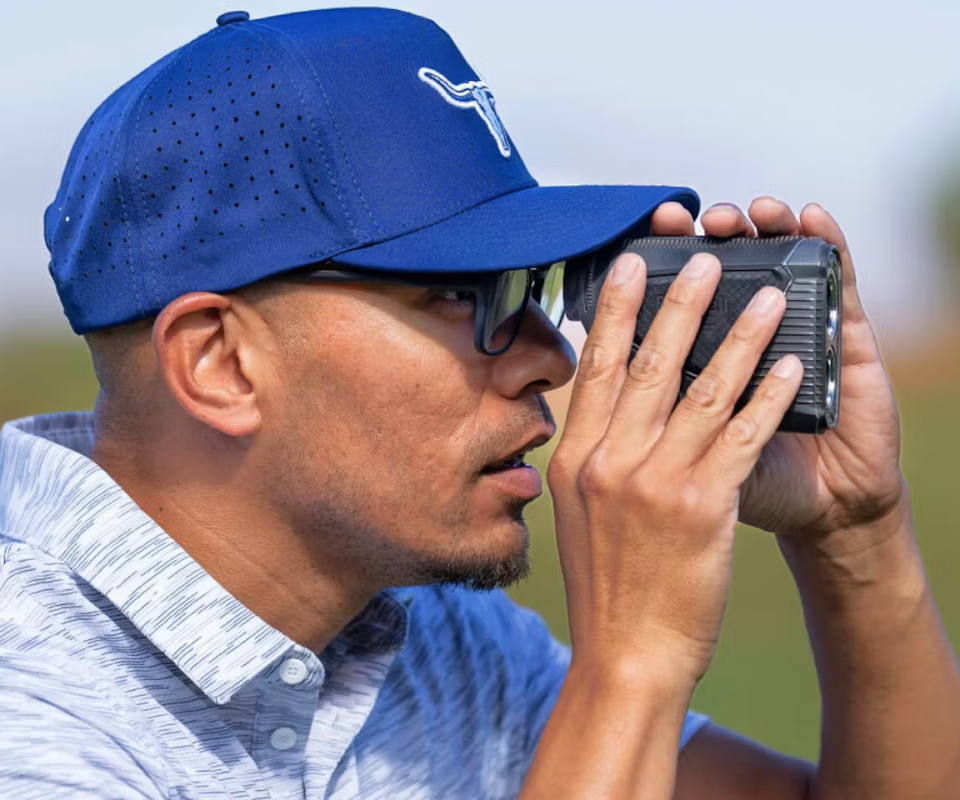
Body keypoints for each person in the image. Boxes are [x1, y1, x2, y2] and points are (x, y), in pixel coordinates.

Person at [0, 6, 957, 799]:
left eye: (530, 290)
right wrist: (631, 663)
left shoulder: (426, 638)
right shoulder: (32, 717)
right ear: (219, 363)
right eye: (461, 295)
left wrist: (856, 538)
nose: (548, 358)